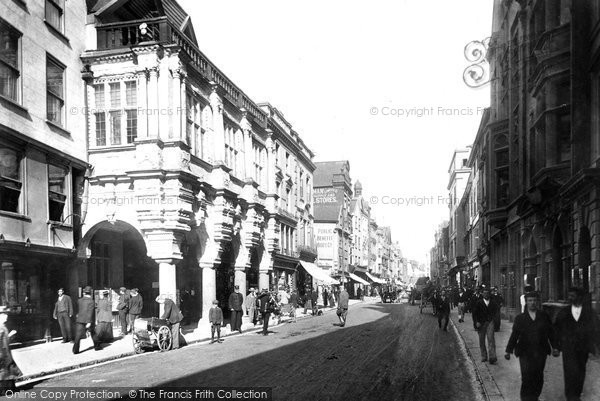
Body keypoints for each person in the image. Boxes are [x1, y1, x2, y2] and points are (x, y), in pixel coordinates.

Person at [504, 291, 559, 401]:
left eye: (534, 300)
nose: (532, 303)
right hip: (525, 352)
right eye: (530, 300)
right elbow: (515, 335)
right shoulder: (520, 318)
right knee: (526, 377)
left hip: (541, 351)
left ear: (538, 302)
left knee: (538, 377)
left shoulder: (544, 316)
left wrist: (555, 347)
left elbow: (551, 332)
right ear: (526, 302)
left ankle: (534, 397)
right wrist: (508, 350)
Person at [554, 287, 600, 401]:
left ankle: (577, 395)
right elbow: (556, 330)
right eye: (569, 296)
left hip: (583, 348)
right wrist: (556, 347)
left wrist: (597, 347)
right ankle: (570, 396)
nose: (570, 298)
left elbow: (596, 330)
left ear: (579, 297)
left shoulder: (589, 313)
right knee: (569, 372)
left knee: (580, 371)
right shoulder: (563, 312)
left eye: (572, 296)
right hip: (568, 348)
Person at [473, 287, 499, 364]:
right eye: (484, 293)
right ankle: (484, 356)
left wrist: (494, 320)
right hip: (481, 323)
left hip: (490, 322)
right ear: (482, 294)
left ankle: (492, 357)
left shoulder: (493, 303)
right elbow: (474, 314)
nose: (486, 295)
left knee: (491, 339)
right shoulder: (479, 302)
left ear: (489, 294)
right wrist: (476, 322)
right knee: (482, 340)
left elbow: (497, 312)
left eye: (487, 293)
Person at [73, 286, 100, 354]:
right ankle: (97, 347)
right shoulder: (92, 301)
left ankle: (75, 350)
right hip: (89, 320)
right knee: (93, 333)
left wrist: (77, 315)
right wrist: (89, 322)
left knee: (78, 335)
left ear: (84, 293)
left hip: (80, 319)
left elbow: (78, 309)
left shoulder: (79, 300)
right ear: (90, 293)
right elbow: (90, 312)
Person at [0, 306, 20, 395]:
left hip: (6, 351)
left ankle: (9, 389)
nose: (6, 316)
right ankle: (5, 390)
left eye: (6, 314)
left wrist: (10, 336)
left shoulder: (3, 326)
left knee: (8, 370)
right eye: (4, 314)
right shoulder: (0, 327)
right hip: (3, 353)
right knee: (5, 371)